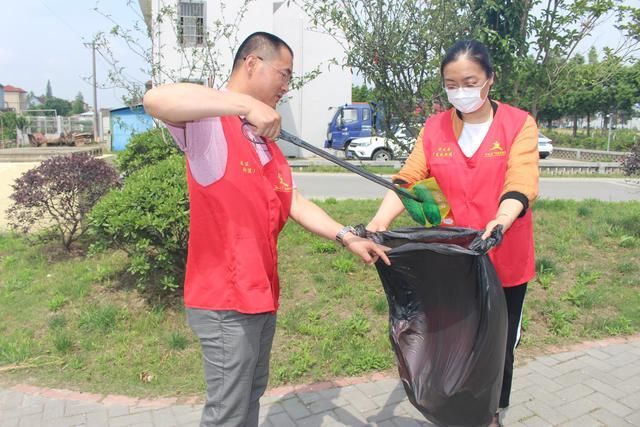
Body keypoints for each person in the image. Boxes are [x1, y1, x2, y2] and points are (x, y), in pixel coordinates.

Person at [143, 31, 390, 427]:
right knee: (227, 412)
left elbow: (292, 201)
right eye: (284, 74)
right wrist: (241, 103)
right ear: (253, 64)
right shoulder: (209, 124)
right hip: (224, 300)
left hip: (259, 294)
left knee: (249, 402)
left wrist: (346, 236)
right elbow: (155, 99)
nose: (286, 87)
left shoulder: (265, 142)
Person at [367, 39, 539, 427]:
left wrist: (501, 219)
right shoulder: (435, 129)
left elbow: (522, 179)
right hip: (454, 261)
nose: (461, 91)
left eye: (470, 81)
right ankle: (456, 414)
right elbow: (408, 179)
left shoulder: (517, 124)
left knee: (498, 348)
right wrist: (380, 222)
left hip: (504, 257)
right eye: (451, 83)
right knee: (456, 342)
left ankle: (493, 415)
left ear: (490, 80)